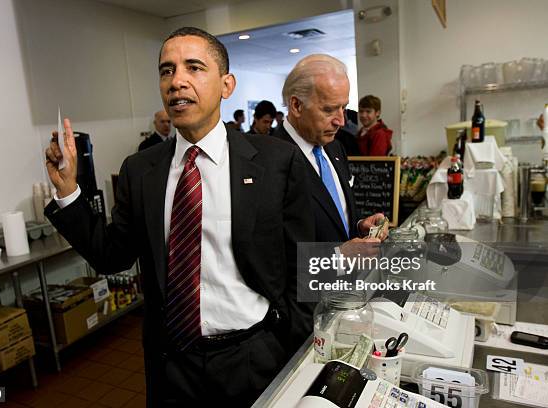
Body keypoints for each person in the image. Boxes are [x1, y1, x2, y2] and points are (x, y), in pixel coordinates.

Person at [44, 27, 314, 407]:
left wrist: (293, 341)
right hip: (172, 365)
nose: (177, 81)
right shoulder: (141, 171)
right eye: (166, 70)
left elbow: (301, 263)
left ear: (226, 84)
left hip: (253, 355)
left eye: (194, 67)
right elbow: (112, 255)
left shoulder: (276, 162)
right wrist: (69, 191)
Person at [273, 54, 388, 245]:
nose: (341, 121)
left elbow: (335, 217)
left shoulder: (335, 147)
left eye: (343, 108)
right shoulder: (268, 161)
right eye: (328, 110)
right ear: (296, 105)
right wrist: (338, 258)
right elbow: (274, 256)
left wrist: (360, 226)